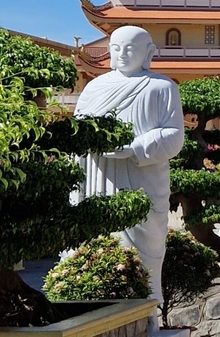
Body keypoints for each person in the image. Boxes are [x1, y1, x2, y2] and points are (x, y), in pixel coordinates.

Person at [73, 25, 185, 306]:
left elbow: (175, 137)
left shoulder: (162, 87)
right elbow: (78, 133)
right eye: (116, 48)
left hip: (143, 180)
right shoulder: (94, 88)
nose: (122, 54)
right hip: (98, 179)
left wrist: (134, 148)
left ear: (148, 53)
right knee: (97, 252)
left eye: (130, 49)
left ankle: (147, 315)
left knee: (143, 256)